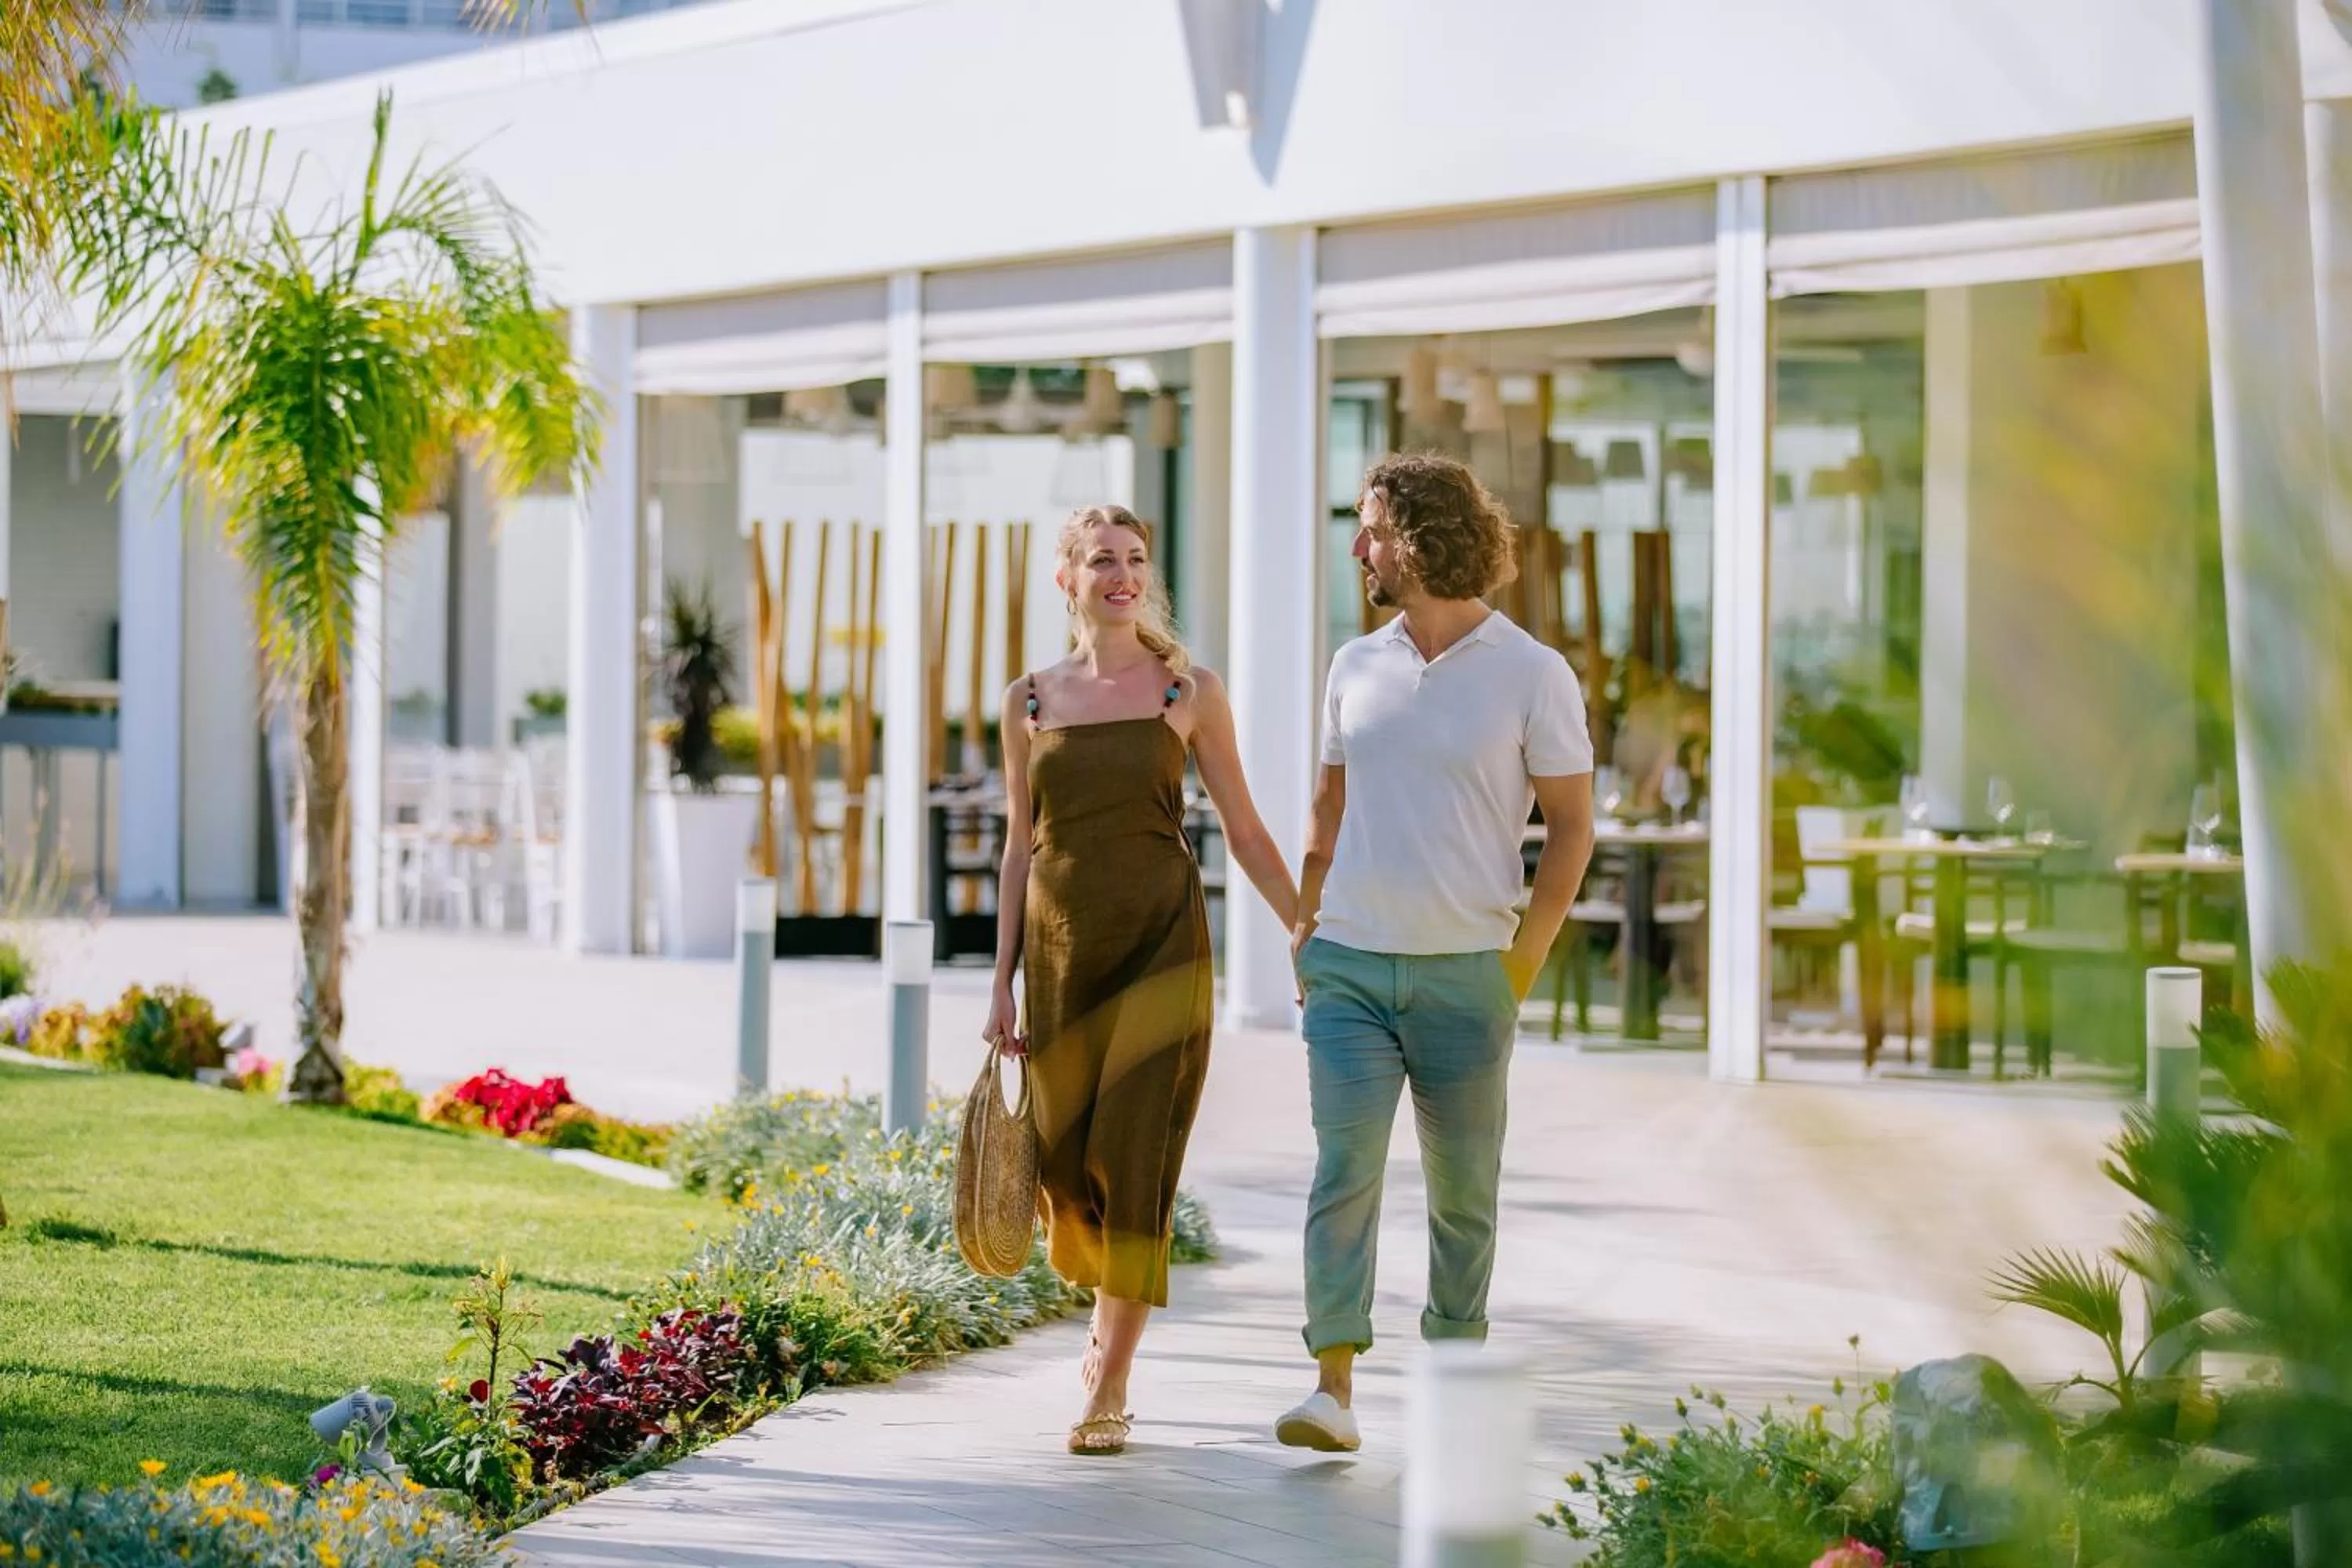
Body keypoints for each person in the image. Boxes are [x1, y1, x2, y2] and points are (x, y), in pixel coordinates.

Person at [1276, 453, 1596, 1454]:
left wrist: (1520, 964)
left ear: (1419, 536)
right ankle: (1332, 1385)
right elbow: (1327, 809)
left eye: (1371, 527)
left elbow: (1573, 828)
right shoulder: (1353, 664)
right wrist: (1306, 924)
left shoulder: (1532, 671)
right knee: (1345, 1171)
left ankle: (1455, 1381)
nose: (1359, 546)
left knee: (1465, 1194)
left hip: (1469, 973)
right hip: (1352, 970)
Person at [986, 503, 1300, 1457]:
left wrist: (1302, 927)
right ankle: (1102, 1327)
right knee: (1068, 1165)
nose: (1122, 575)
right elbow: (1016, 846)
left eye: (1134, 560)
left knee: (1137, 1159)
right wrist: (1001, 981)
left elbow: (1242, 827)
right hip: (1062, 952)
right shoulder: (1029, 700)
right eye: (1101, 561)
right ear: (1067, 580)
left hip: (1163, 945)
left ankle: (1111, 1379)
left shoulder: (1186, 689)